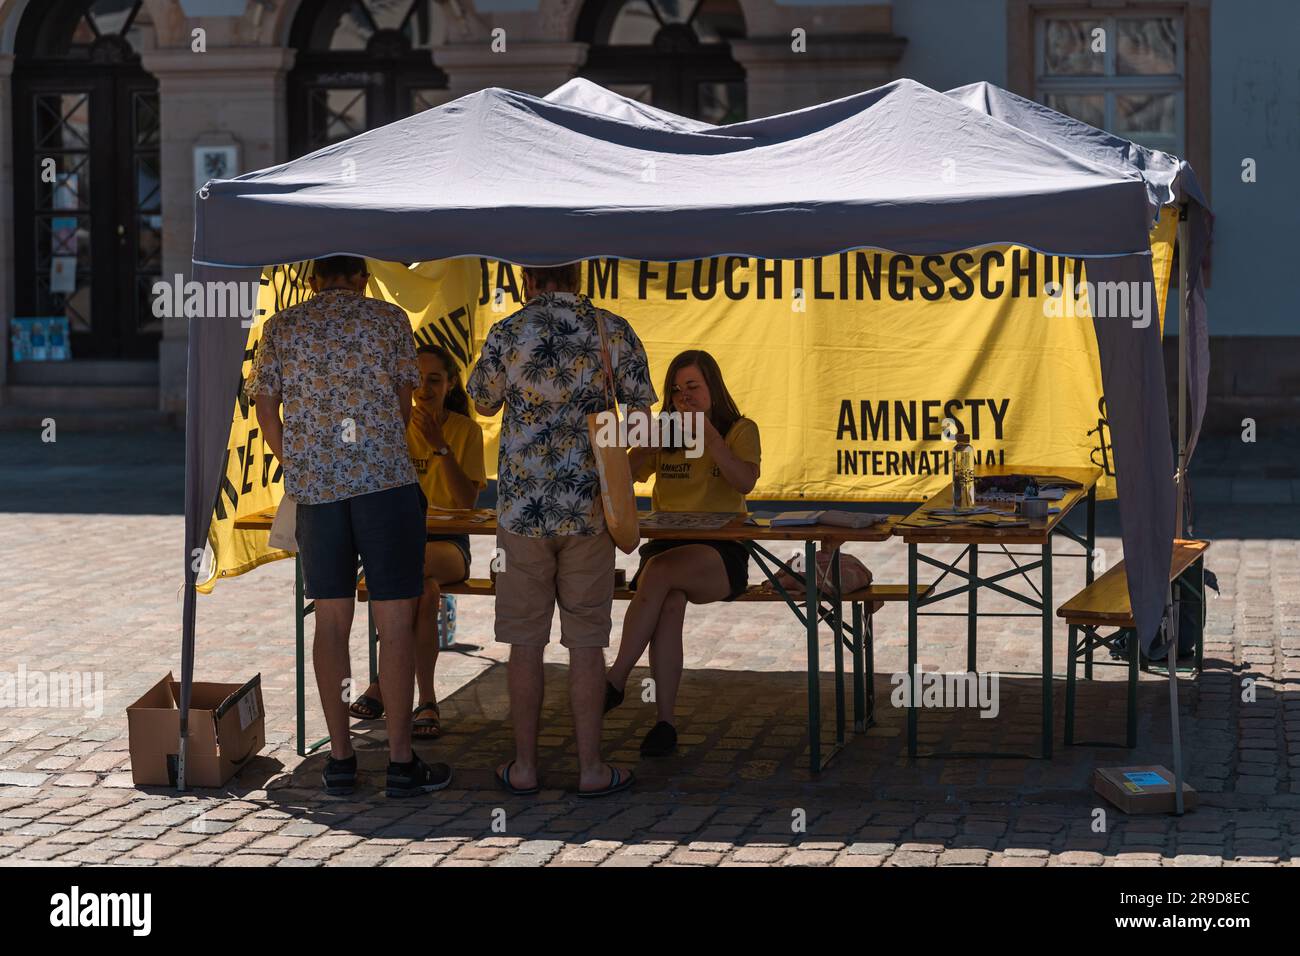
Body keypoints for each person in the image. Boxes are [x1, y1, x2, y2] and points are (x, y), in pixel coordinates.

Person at [248, 254, 451, 797]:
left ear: (314, 281)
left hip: (319, 491)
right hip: (385, 483)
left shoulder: (282, 327)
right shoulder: (390, 320)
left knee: (330, 622)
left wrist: (295, 458)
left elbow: (266, 406)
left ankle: (340, 759)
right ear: (364, 279)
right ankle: (402, 761)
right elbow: (405, 403)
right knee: (395, 621)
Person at [467, 262, 655, 797]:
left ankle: (524, 766)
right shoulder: (610, 328)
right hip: (590, 510)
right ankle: (591, 767)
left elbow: (482, 401)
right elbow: (642, 416)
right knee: (587, 642)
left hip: (521, 512)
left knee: (524, 642)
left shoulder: (507, 332)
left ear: (529, 279)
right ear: (578, 275)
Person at [604, 350, 761, 756]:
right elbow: (622, 476)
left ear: (713, 387)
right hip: (666, 547)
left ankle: (616, 679)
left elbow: (744, 482)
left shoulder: (739, 429)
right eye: (676, 390)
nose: (684, 397)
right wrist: (645, 442)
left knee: (658, 573)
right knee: (668, 602)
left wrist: (709, 436)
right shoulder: (668, 431)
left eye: (693, 387)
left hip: (720, 551)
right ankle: (665, 723)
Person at [348, 344, 487, 739]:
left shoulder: (466, 430)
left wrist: (439, 445)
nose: (424, 389)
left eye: (434, 380)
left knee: (396, 572)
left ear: (450, 384)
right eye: (417, 380)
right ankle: (426, 699)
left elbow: (466, 502)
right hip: (398, 540)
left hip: (447, 544)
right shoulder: (390, 426)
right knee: (424, 594)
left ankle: (380, 684)